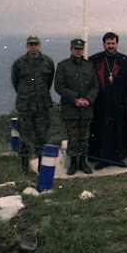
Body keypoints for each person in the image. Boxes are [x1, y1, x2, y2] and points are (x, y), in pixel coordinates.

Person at [88, 32, 127, 169]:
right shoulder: (94, 60)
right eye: (108, 43)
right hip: (100, 103)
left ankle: (118, 158)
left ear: (117, 44)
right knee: (100, 130)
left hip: (119, 103)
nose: (110, 46)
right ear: (104, 44)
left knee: (118, 130)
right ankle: (101, 159)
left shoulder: (126, 61)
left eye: (113, 43)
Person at [11, 35, 55, 174]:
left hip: (42, 105)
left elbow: (49, 81)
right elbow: (15, 83)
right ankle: (24, 167)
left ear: (40, 45)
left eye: (36, 44)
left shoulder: (48, 62)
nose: (33, 47)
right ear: (27, 46)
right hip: (25, 105)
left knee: (42, 136)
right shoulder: (18, 63)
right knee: (25, 136)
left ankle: (42, 166)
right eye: (31, 44)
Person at [54, 38, 99, 175]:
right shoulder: (63, 66)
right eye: (76, 49)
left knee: (84, 137)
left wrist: (88, 99)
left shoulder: (89, 66)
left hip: (86, 108)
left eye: (80, 49)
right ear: (71, 49)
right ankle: (73, 163)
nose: (78, 51)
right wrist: (74, 98)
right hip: (70, 108)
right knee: (72, 137)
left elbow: (95, 85)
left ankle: (83, 163)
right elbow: (59, 86)